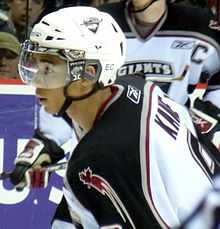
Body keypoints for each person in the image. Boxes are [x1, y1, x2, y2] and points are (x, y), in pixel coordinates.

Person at [13, 6, 219, 228]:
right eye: (34, 64)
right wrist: (47, 145)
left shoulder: (101, 159)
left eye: (48, 69)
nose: (37, 83)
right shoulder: (131, 85)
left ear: (88, 74)